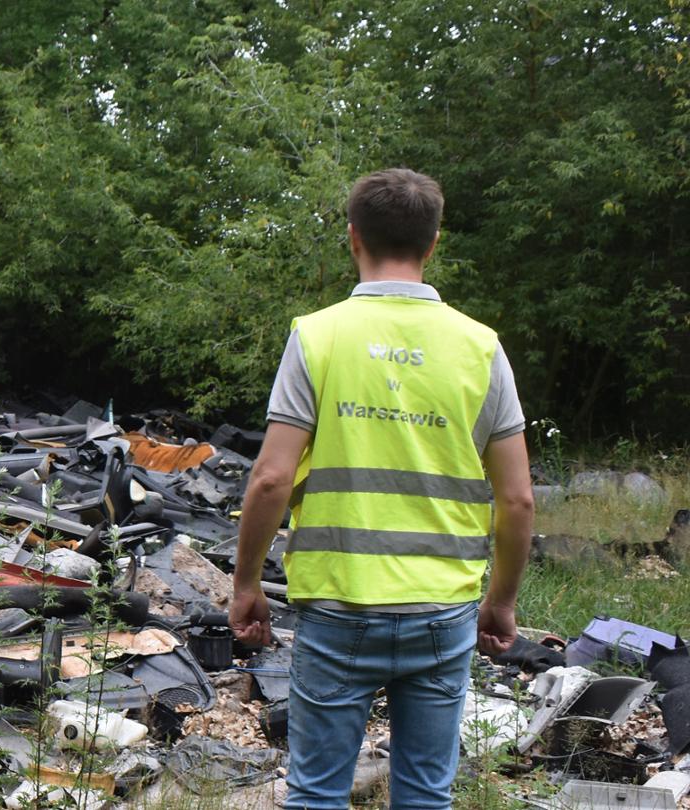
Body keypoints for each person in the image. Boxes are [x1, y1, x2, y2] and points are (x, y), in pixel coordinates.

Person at [227, 168, 535, 809]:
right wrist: (501, 600)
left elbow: (272, 477)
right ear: (433, 244)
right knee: (424, 797)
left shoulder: (318, 336)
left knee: (316, 795)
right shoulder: (481, 348)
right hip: (441, 608)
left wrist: (246, 584)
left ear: (353, 237)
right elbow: (517, 500)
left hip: (338, 603)